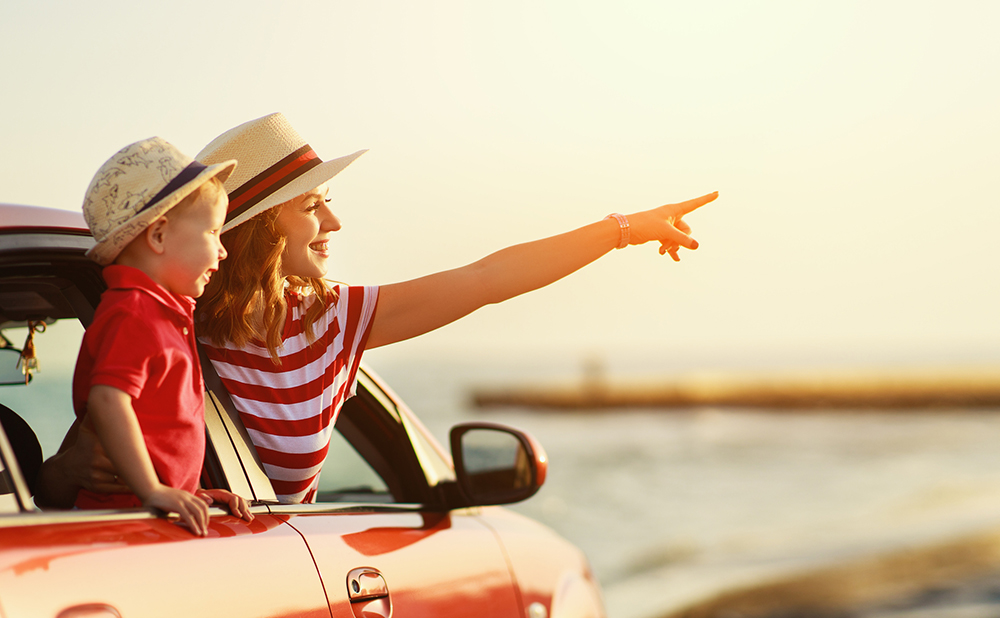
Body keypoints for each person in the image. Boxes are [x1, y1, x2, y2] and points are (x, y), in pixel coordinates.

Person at [37, 113, 717, 505]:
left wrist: (625, 228)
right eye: (310, 205)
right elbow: (100, 437)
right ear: (259, 228)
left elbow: (489, 277)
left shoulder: (332, 323)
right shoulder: (173, 317)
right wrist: (61, 473)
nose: (333, 221)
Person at [47, 137, 253, 535]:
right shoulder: (134, 311)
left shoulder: (160, 313)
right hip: (121, 523)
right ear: (158, 236)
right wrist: (153, 490)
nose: (223, 251)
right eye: (214, 232)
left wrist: (193, 492)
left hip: (138, 515)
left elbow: (159, 428)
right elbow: (109, 400)